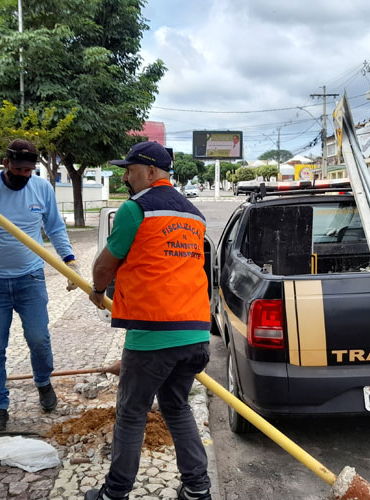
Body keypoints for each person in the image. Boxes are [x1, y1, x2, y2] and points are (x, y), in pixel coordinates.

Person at [86, 141, 212, 500]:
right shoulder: (194, 214)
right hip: (195, 334)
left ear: (152, 172)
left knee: (131, 412)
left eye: (130, 170)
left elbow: (105, 264)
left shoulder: (135, 209)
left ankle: (115, 492)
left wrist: (97, 290)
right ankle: (198, 488)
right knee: (176, 406)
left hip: (153, 333)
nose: (125, 176)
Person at [0, 139, 80, 432]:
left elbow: (55, 227)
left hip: (31, 277)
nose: (23, 174)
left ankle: (43, 382)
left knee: (39, 338)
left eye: (29, 169)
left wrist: (70, 260)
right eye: (18, 168)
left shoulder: (41, 188)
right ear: (6, 164)